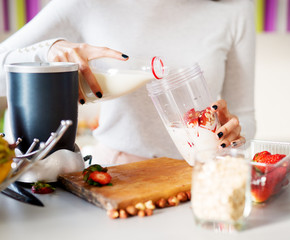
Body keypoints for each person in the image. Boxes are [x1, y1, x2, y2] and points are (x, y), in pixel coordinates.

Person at [0, 0, 256, 164]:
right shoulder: (87, 4)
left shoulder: (234, 8)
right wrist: (49, 50)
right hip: (117, 173)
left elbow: (244, 115)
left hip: (201, 176)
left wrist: (231, 136)